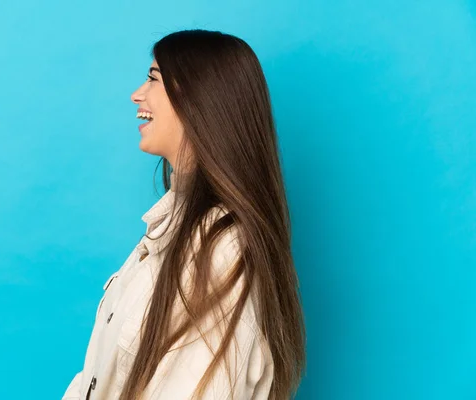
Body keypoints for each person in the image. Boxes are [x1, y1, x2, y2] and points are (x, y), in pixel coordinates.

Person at [62, 28, 306, 400]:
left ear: (199, 97)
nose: (136, 94)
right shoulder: (171, 230)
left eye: (153, 78)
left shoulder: (222, 251)